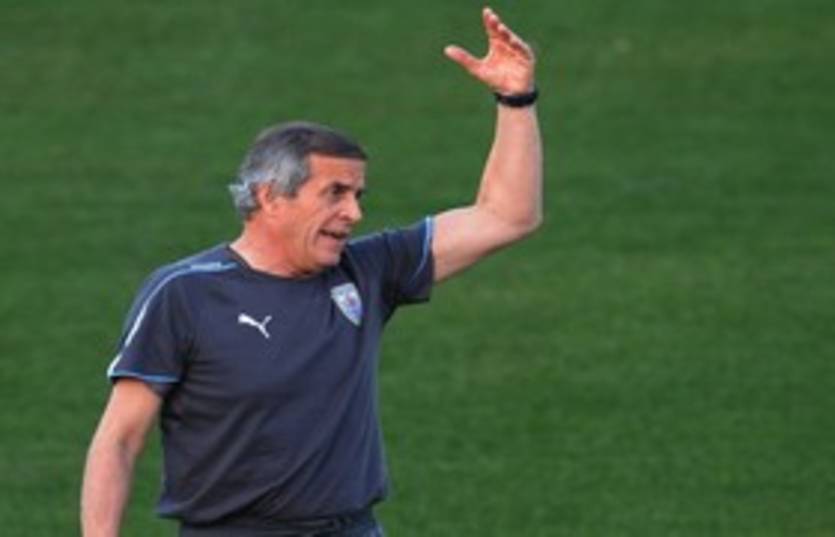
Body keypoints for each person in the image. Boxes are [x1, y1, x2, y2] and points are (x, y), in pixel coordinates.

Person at [81, 7, 542, 537]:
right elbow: (120, 439)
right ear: (270, 197)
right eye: (335, 194)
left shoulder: (367, 271)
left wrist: (516, 100)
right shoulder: (185, 294)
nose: (354, 213)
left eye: (358, 194)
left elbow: (508, 216)